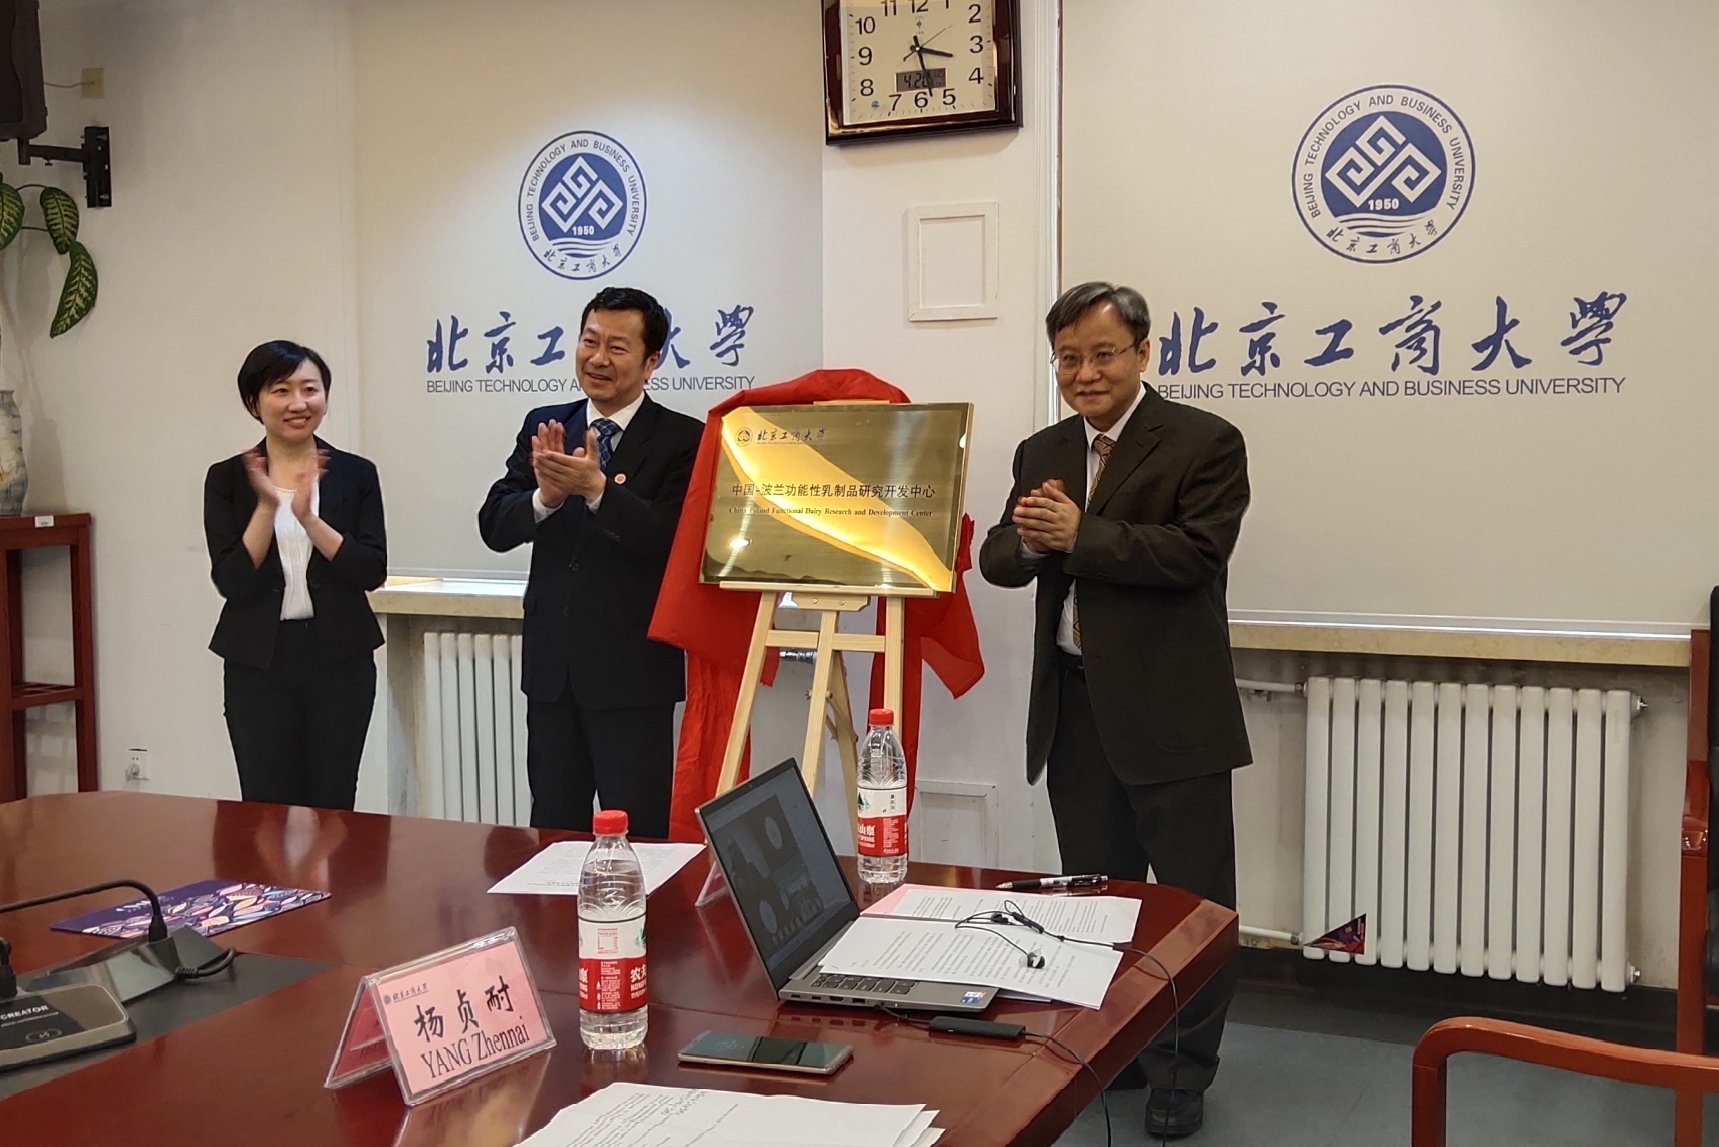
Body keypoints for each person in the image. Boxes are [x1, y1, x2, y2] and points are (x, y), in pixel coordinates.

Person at [978, 281, 1251, 1139]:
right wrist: (1030, 540)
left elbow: (1195, 554)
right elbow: (998, 556)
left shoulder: (1204, 440)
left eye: (1102, 354)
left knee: (1192, 905)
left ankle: (1181, 1069)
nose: (1085, 372)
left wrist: (1079, 535)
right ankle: (1120, 1049)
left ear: (1142, 352)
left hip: (1173, 713)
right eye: (1068, 358)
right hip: (1074, 707)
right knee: (1098, 900)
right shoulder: (1043, 447)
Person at [478, 286, 702, 837]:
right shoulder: (546, 424)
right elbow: (494, 526)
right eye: (589, 341)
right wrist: (546, 498)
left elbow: (672, 540)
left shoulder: (682, 438)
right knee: (552, 831)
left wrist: (600, 491)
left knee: (638, 834)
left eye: (618, 348)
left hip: (633, 675)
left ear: (651, 361)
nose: (598, 358)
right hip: (552, 673)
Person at [204, 340, 387, 811]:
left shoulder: (355, 474)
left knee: (334, 802)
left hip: (339, 659)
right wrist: (268, 506)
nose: (298, 403)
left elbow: (370, 570)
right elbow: (232, 582)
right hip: (258, 662)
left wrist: (309, 519)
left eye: (310, 389)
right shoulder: (227, 479)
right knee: (265, 807)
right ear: (254, 402)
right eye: (281, 390)